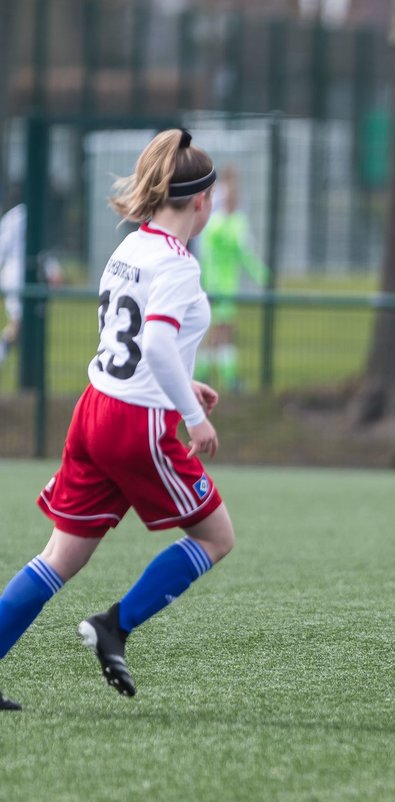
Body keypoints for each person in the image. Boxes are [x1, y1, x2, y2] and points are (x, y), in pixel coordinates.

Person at [0, 129, 234, 711]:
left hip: (95, 408)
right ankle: (114, 626)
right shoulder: (179, 265)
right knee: (216, 536)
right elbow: (154, 345)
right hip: (135, 424)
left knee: (61, 556)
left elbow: (129, 341)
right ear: (201, 201)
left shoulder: (130, 246)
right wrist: (189, 415)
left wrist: (182, 377)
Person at [195, 167, 267, 391]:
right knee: (219, 331)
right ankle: (220, 376)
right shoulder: (221, 224)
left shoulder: (231, 222)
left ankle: (210, 374)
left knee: (222, 330)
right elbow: (212, 255)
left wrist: (260, 275)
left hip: (226, 285)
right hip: (216, 286)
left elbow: (245, 256)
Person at [0, 185, 64, 368]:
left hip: (27, 275)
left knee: (28, 323)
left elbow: (42, 251)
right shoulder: (18, 217)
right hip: (16, 276)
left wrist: (52, 271)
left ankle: (24, 363)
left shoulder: (24, 216)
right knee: (20, 322)